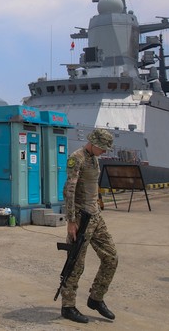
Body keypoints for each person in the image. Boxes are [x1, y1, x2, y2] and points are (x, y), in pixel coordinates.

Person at [60, 129, 118, 324]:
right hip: (81, 218)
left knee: (111, 258)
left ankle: (96, 298)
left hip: (95, 216)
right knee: (76, 263)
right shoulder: (77, 158)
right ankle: (68, 306)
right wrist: (71, 221)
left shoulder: (94, 159)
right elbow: (69, 190)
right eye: (102, 147)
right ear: (93, 142)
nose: (104, 151)